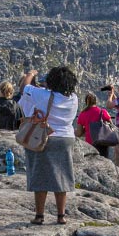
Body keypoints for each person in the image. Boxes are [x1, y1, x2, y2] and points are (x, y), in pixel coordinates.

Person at [17, 65, 80, 224]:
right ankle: (61, 216)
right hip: (66, 138)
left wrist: (31, 74)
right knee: (62, 176)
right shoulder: (74, 98)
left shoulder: (44, 96)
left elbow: (24, 87)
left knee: (40, 175)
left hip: (45, 137)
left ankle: (39, 216)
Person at [76, 92, 117, 158]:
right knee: (104, 163)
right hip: (103, 143)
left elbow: (78, 133)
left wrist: (87, 130)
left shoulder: (82, 114)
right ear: (95, 101)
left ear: (86, 102)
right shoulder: (103, 111)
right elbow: (111, 126)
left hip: (90, 144)